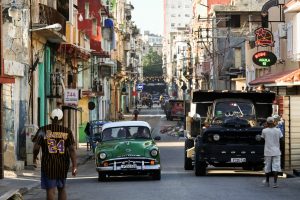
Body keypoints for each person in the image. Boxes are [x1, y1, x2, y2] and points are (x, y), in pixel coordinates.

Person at [33, 108, 77, 200]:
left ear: (50, 118)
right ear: (61, 119)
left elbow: (36, 147)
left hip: (48, 165)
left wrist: (34, 158)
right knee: (62, 188)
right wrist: (74, 166)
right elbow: (72, 149)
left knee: (50, 190)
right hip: (63, 165)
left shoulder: (43, 130)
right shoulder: (67, 131)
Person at [261, 116, 283, 188]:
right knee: (275, 167)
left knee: (267, 166)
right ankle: (275, 183)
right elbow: (281, 140)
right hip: (276, 151)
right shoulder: (278, 130)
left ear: (267, 122)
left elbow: (262, 139)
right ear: (274, 122)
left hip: (267, 151)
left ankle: (267, 182)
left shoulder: (264, 131)